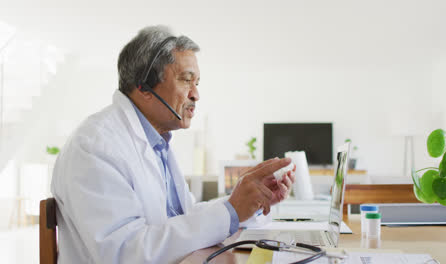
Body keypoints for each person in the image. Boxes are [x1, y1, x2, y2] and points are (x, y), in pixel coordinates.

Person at [51, 25, 295, 264]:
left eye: (197, 83)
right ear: (144, 86)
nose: (195, 95)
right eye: (186, 80)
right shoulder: (96, 146)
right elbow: (123, 252)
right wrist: (230, 211)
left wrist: (247, 204)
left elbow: (184, 219)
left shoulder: (156, 142)